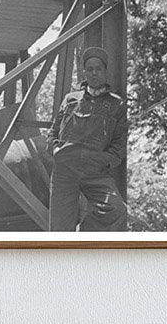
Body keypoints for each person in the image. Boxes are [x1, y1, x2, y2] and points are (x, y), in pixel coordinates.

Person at [47, 46, 128, 231]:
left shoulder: (117, 105)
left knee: (116, 210)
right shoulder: (70, 99)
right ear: (84, 73)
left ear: (105, 72)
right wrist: (55, 150)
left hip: (95, 172)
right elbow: (53, 131)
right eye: (89, 69)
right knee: (59, 229)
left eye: (98, 69)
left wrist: (102, 161)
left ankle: (82, 236)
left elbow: (119, 144)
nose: (94, 73)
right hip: (64, 171)